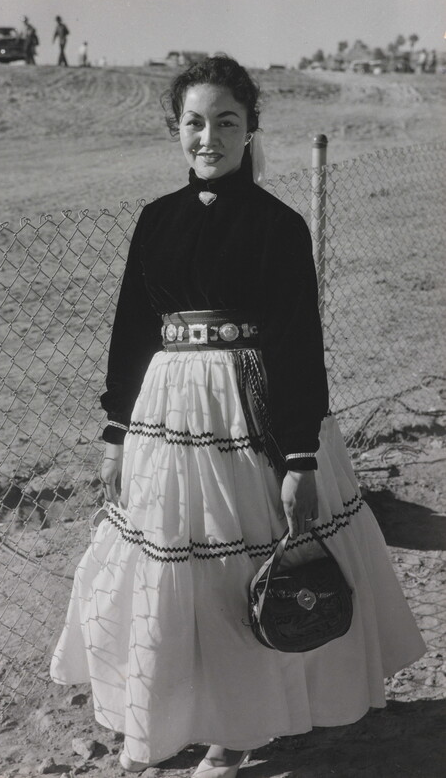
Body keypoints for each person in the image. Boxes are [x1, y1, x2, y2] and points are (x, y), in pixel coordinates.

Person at [51, 56, 425, 777]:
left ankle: (237, 731)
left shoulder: (278, 227)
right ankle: (181, 713)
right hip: (169, 418)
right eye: (194, 123)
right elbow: (132, 335)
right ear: (175, 131)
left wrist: (298, 457)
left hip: (253, 419)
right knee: (179, 576)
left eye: (226, 121)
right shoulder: (155, 221)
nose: (208, 137)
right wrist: (115, 434)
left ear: (251, 127)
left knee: (246, 570)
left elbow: (295, 343)